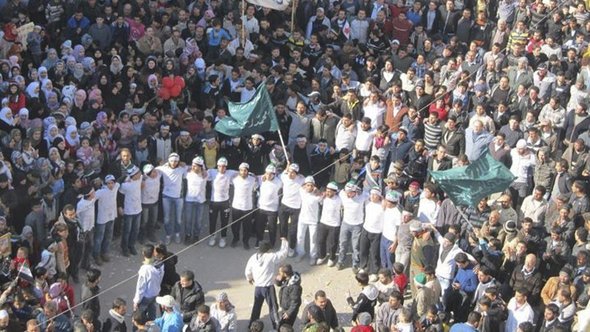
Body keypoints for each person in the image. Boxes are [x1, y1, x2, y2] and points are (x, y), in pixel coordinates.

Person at [245, 237, 289, 329]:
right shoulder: (270, 256)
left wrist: (249, 278)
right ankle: (276, 326)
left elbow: (248, 271)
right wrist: (284, 242)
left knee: (256, 307)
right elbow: (283, 254)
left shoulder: (253, 257)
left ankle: (252, 326)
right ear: (268, 249)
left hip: (258, 287)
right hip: (268, 287)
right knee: (273, 308)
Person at [156, 153, 187, 245]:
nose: (174, 163)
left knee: (178, 219)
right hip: (166, 196)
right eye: (172, 161)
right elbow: (150, 170)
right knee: (167, 218)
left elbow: (193, 168)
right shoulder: (162, 168)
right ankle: (168, 234)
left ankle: (177, 233)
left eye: (176, 161)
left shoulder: (182, 169)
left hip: (179, 197)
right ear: (169, 160)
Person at [133, 244, 164, 322]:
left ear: (143, 254)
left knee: (139, 315)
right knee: (152, 310)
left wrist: (136, 301)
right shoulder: (160, 264)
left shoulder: (144, 270)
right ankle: (151, 324)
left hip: (146, 296)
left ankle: (139, 326)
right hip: (155, 293)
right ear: (154, 253)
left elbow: (140, 287)